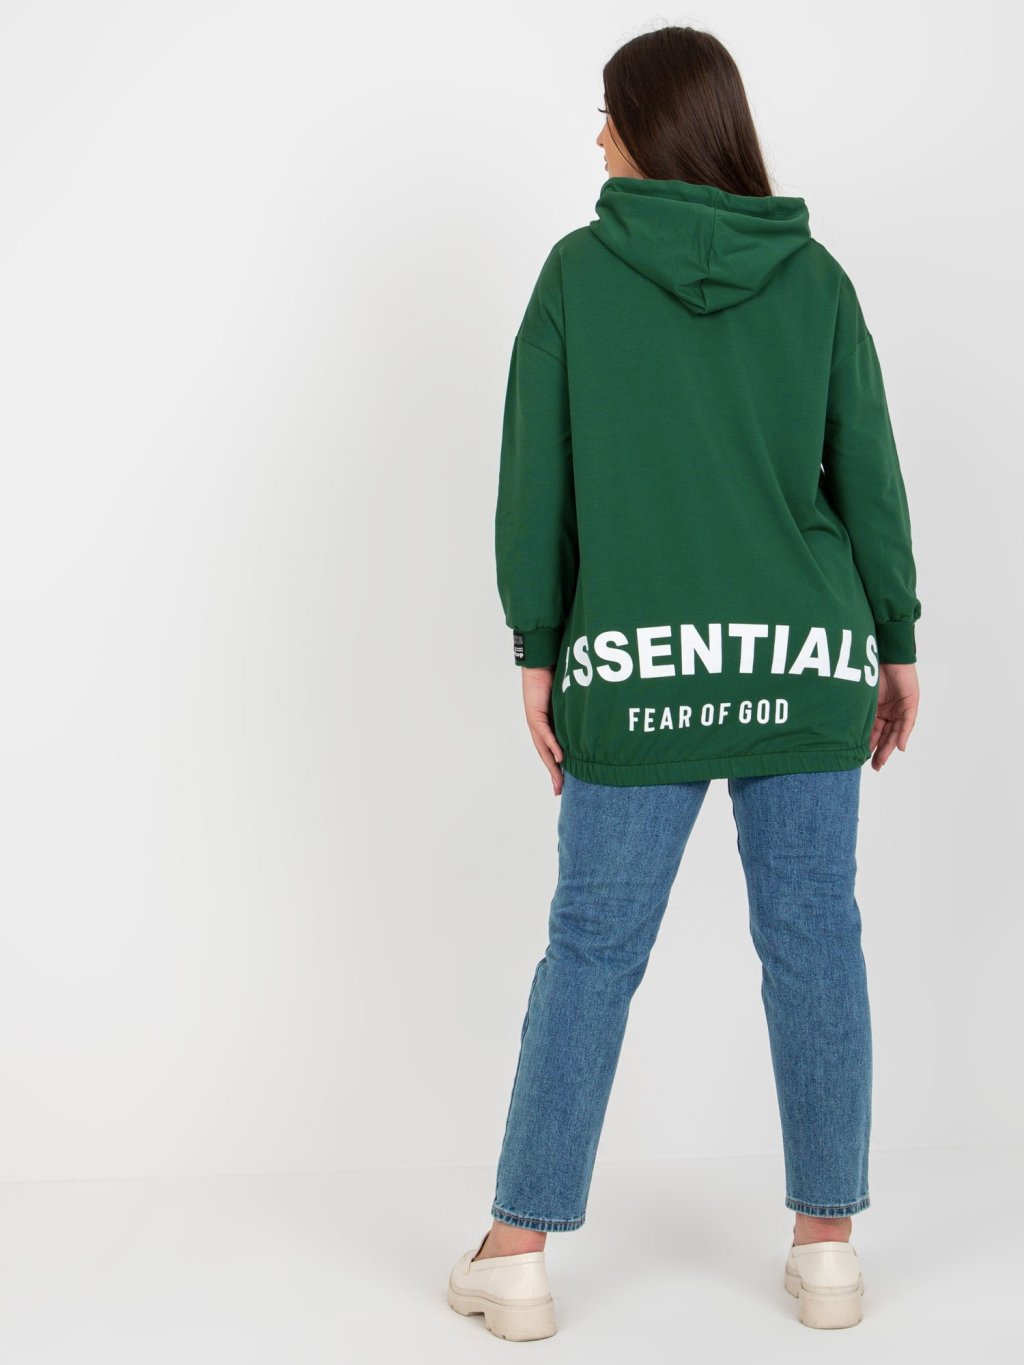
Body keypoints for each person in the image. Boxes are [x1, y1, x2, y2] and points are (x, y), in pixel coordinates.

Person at [447, 22, 921, 1342]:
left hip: (634, 665)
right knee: (815, 936)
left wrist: (537, 648)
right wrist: (894, 640)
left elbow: (535, 480)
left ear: (651, 126)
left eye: (608, 114)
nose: (596, 137)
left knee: (593, 949)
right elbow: (868, 472)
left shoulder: (577, 276)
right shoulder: (814, 279)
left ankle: (518, 1253)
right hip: (804, 658)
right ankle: (828, 1251)